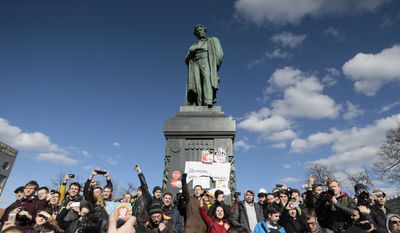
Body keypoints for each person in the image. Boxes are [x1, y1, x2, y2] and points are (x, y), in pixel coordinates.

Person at [184, 24, 223, 107]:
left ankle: (207, 101)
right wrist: (191, 52)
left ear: (204, 31)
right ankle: (198, 103)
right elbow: (186, 60)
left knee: (207, 80)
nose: (199, 32)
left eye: (200, 30)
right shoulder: (193, 46)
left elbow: (220, 54)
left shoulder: (212, 41)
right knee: (196, 84)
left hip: (206, 61)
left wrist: (215, 66)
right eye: (197, 31)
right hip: (195, 63)